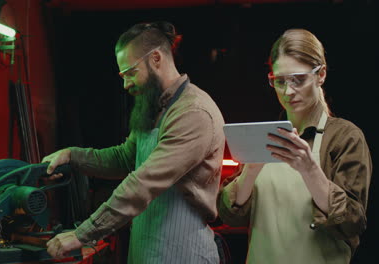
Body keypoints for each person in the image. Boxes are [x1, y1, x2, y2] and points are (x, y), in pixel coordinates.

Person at [43, 21, 225, 263]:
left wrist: (84, 234)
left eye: (130, 73)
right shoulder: (155, 107)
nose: (126, 84)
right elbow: (124, 158)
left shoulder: (193, 112)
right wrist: (72, 155)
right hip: (147, 250)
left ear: (156, 58)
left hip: (183, 252)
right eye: (122, 76)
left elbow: (145, 182)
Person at [218, 28, 372, 264]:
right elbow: (230, 216)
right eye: (279, 81)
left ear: (321, 75)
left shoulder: (344, 137)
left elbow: (353, 222)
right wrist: (249, 173)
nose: (288, 91)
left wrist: (310, 171)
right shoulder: (263, 136)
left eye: (298, 80)